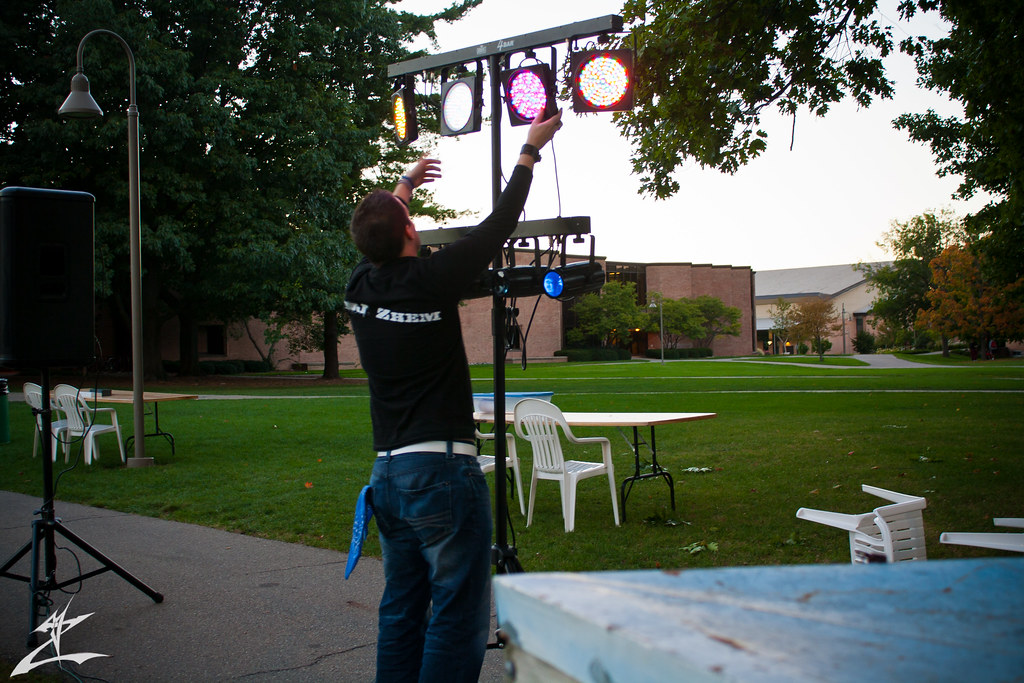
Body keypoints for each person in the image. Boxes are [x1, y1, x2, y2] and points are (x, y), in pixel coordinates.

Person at [345, 108, 563, 683]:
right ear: (411, 231)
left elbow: (382, 231)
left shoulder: (359, 286)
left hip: (388, 476)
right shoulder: (432, 281)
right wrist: (529, 150)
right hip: (441, 472)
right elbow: (497, 229)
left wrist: (404, 187)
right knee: (457, 616)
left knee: (401, 610)